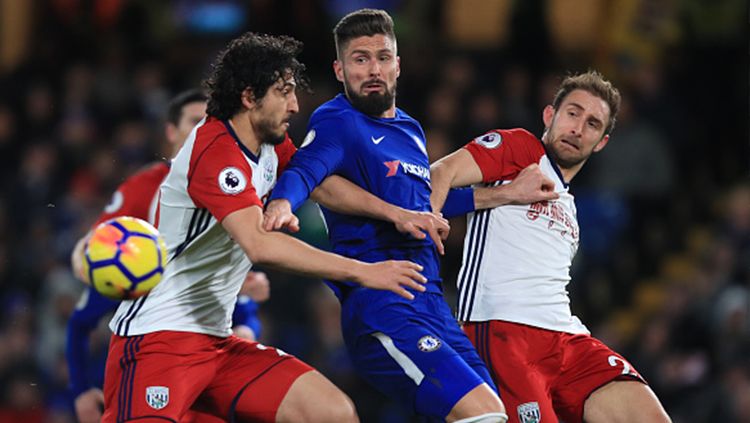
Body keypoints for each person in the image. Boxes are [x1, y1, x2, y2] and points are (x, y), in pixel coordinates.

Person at [101, 32, 428, 423]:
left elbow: (319, 183)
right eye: (283, 91)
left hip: (218, 343)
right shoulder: (214, 151)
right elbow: (259, 245)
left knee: (331, 413)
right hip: (158, 340)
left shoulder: (269, 143)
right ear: (249, 97)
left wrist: (394, 212)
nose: (294, 104)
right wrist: (363, 272)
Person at [264, 9, 555, 422]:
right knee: (483, 414)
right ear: (339, 70)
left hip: (432, 303)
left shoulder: (411, 131)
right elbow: (306, 170)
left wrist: (507, 193)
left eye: (382, 57)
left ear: (398, 64)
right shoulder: (338, 120)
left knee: (498, 415)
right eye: (360, 59)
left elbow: (423, 208)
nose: (373, 69)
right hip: (384, 304)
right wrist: (281, 202)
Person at [430, 71, 671, 423]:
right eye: (572, 113)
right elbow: (438, 175)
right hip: (503, 332)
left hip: (567, 338)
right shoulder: (519, 148)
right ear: (549, 116)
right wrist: (504, 194)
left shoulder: (570, 209)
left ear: (601, 142)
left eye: (592, 123)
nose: (578, 128)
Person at [66, 90, 271, 423]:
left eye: (210, 122)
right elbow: (92, 255)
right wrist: (80, 389)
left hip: (208, 351)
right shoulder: (143, 188)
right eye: (194, 122)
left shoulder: (235, 187)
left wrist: (247, 316)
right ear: (171, 132)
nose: (203, 130)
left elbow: (240, 279)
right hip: (149, 346)